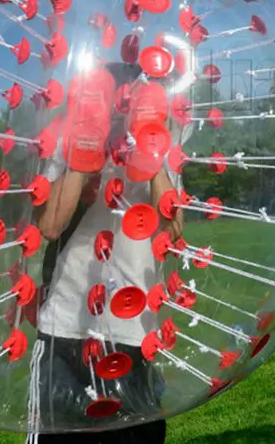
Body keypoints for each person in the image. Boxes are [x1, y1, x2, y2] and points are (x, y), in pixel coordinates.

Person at [33, 61, 185, 443]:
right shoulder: (70, 137)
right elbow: (50, 226)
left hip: (131, 329)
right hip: (66, 322)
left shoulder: (161, 145)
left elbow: (173, 230)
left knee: (136, 436)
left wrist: (148, 148)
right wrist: (87, 144)